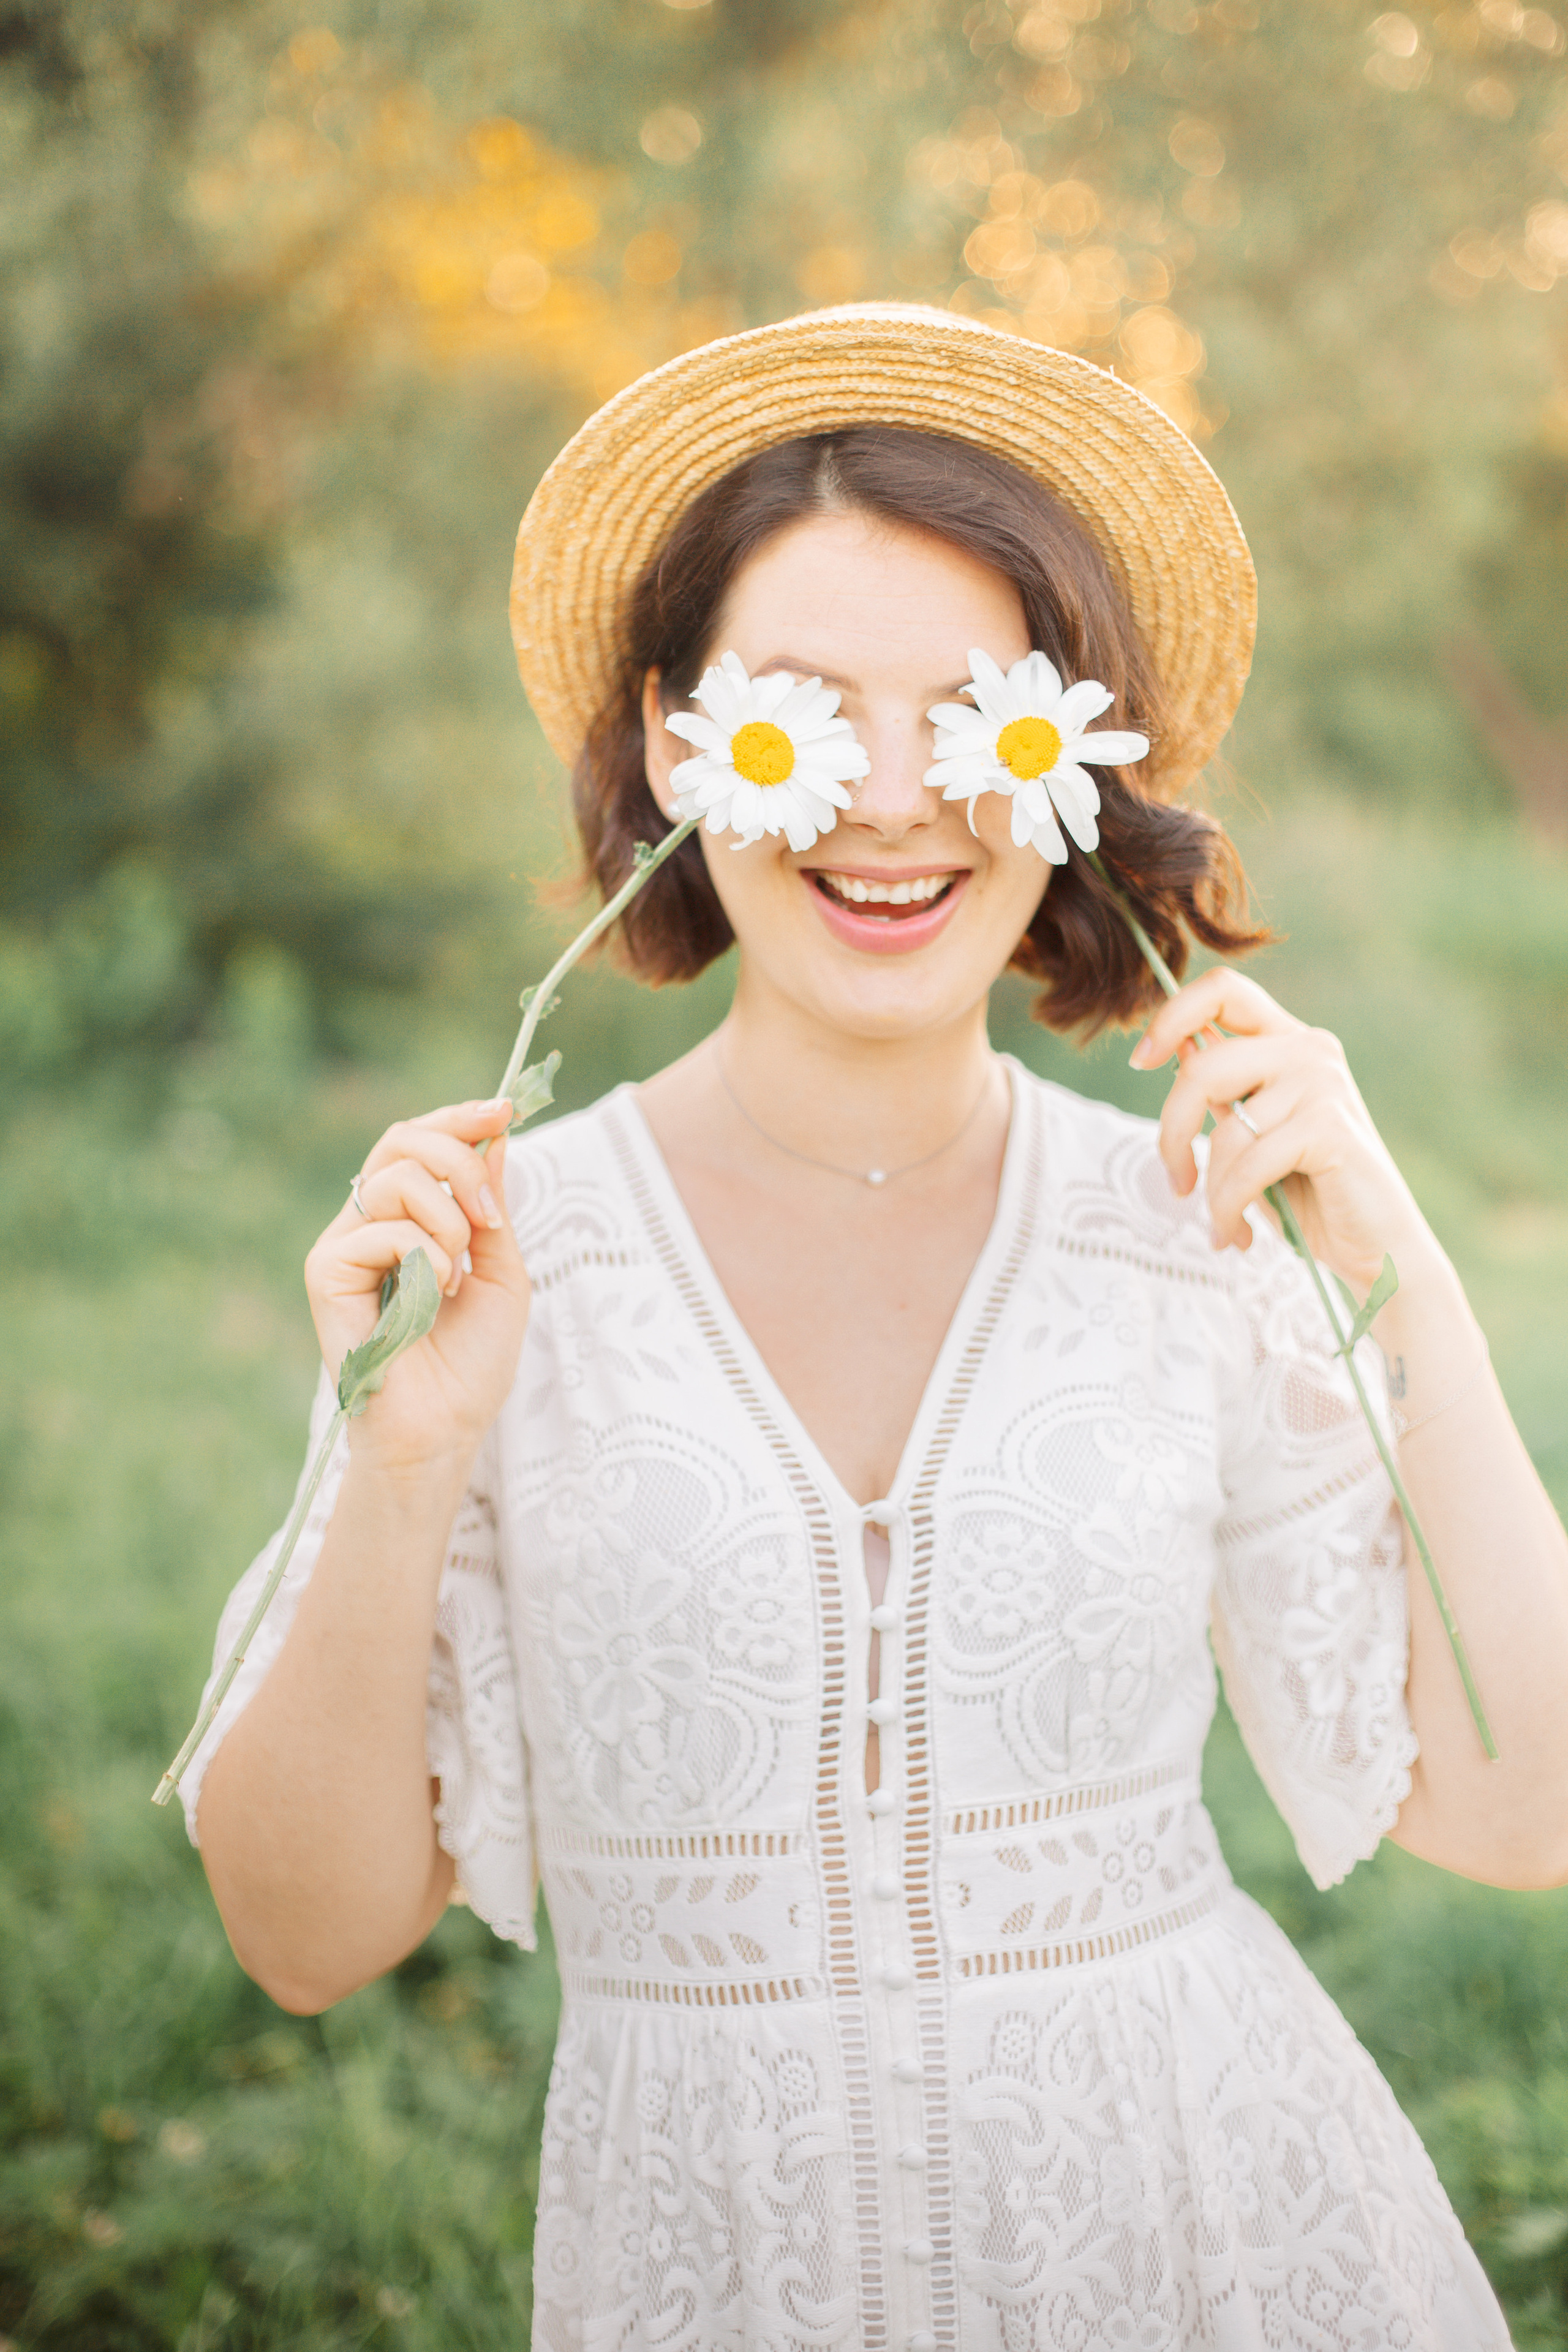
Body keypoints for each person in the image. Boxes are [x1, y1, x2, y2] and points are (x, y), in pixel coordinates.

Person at [184, 306, 1568, 2350]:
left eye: (982, 715)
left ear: (1070, 758)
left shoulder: (1182, 1228)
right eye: (804, 714)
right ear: (675, 740)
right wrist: (399, 1453)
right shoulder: (492, 1259)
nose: (899, 800)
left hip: (1217, 2255)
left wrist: (1404, 1280)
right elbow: (305, 1940)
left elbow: (1522, 1814)